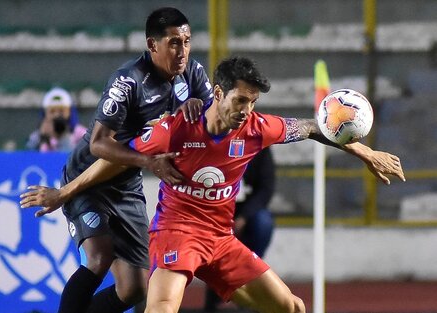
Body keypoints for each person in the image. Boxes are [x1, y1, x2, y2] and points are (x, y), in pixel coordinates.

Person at [21, 56, 405, 313]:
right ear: (218, 94)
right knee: (160, 309)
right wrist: (64, 193)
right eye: (240, 100)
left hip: (221, 240)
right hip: (176, 235)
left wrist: (365, 153)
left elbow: (314, 127)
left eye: (253, 102)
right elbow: (110, 159)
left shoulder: (258, 128)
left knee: (292, 307)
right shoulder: (175, 129)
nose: (247, 111)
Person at [22, 7, 213, 313]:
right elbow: (98, 144)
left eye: (187, 41)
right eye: (174, 42)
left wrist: (200, 108)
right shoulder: (128, 81)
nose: (183, 51)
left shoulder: (193, 75)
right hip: (89, 177)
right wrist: (149, 162)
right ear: (152, 45)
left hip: (127, 184)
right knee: (99, 257)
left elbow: (214, 119)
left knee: (135, 288)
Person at [204, 147, 275, 312]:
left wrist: (244, 216)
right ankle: (217, 291)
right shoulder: (212, 142)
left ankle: (252, 272)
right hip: (216, 207)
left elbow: (266, 188)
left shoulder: (260, 145)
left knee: (263, 223)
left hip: (246, 210)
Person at [26, 87, 87, 152]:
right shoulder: (38, 134)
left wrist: (63, 136)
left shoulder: (81, 133)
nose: (57, 115)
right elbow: (29, 152)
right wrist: (42, 137)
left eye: (61, 111)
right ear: (45, 113)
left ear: (70, 112)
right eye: (52, 111)